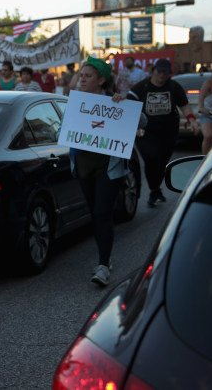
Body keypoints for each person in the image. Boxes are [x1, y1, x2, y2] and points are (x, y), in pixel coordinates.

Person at [68, 58, 131, 287]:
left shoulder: (115, 101)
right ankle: (105, 258)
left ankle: (103, 265)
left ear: (101, 81)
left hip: (109, 167)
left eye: (87, 76)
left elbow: (142, 120)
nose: (82, 79)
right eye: (81, 75)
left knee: (103, 213)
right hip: (84, 165)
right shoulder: (76, 102)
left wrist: (123, 104)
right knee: (96, 215)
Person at [118, 58, 199, 207]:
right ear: (153, 71)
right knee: (152, 157)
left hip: (168, 131)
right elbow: (129, 108)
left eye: (166, 73)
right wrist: (132, 127)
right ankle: (154, 190)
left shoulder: (174, 87)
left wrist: (192, 120)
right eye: (160, 71)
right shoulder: (141, 88)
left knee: (162, 161)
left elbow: (185, 106)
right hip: (146, 131)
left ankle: (156, 190)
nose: (162, 75)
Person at [199, 76, 212, 154]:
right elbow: (201, 98)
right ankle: (204, 160)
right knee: (208, 135)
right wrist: (202, 108)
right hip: (209, 115)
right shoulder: (209, 83)